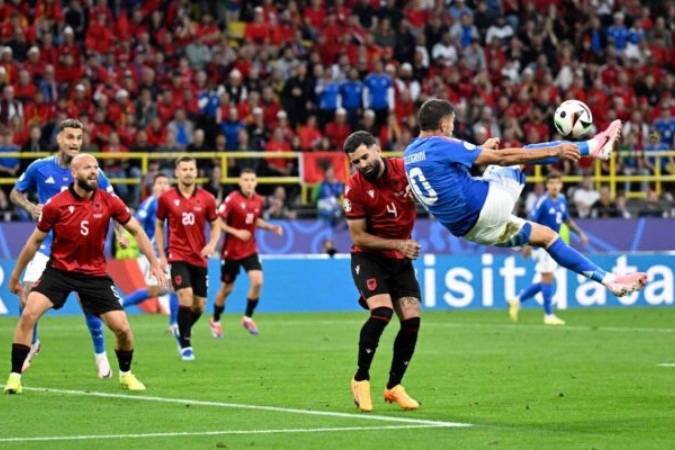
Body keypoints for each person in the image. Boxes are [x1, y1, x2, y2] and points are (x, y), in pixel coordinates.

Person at [403, 99, 648, 299]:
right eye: (453, 124)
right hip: (485, 205)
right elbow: (502, 158)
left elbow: (446, 181)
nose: (453, 128)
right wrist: (556, 149)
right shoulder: (441, 144)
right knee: (524, 154)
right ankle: (593, 147)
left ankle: (610, 281)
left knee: (548, 237)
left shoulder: (410, 154)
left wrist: (481, 150)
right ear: (444, 124)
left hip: (470, 230)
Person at [4, 153, 166, 394]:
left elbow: (136, 230)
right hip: (59, 271)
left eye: (96, 167)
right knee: (28, 314)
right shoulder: (56, 204)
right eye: (87, 167)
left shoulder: (110, 201)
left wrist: (153, 261)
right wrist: (16, 275)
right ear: (74, 173)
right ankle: (14, 377)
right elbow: (33, 242)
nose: (93, 171)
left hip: (94, 274)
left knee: (122, 328)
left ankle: (126, 374)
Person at [10, 118, 125, 378]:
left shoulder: (92, 170)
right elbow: (16, 193)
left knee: (88, 303)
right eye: (70, 137)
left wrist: (120, 234)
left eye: (78, 138)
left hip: (83, 251)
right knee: (26, 296)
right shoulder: (39, 168)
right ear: (59, 139)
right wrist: (30, 207)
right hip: (48, 246)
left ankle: (100, 355)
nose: (74, 142)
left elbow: (115, 204)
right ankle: (33, 343)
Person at [343, 131, 422, 413]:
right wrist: (398, 243)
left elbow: (435, 193)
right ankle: (360, 379)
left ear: (377, 150)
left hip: (400, 260)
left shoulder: (406, 170)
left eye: (365, 157)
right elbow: (358, 237)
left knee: (412, 319)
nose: (362, 165)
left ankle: (394, 386)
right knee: (382, 312)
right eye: (356, 162)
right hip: (368, 257)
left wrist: (422, 196)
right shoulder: (354, 188)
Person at [155, 156, 220, 361]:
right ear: (177, 172)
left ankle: (181, 330)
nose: (188, 173)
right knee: (185, 296)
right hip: (177, 255)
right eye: (184, 169)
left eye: (191, 169)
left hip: (199, 257)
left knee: (199, 305)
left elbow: (216, 224)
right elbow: (159, 225)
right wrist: (162, 255)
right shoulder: (166, 198)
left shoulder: (207, 198)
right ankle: (186, 344)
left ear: (196, 172)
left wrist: (211, 244)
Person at [507, 172, 589, 325]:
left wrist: (580, 233)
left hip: (552, 244)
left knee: (547, 279)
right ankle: (548, 315)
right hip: (541, 245)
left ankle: (517, 300)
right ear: (547, 185)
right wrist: (527, 245)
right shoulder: (542, 201)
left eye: (557, 183)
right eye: (551, 183)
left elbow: (566, 219)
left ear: (561, 185)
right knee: (547, 278)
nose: (554, 186)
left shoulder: (562, 200)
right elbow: (530, 222)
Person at [210, 169, 283, 338]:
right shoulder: (232, 199)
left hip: (249, 249)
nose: (249, 183)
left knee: (257, 282)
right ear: (240, 182)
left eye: (252, 179)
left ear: (256, 183)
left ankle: (247, 318)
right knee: (227, 288)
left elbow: (254, 219)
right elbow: (218, 221)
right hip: (231, 251)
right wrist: (236, 232)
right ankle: (215, 319)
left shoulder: (258, 200)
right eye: (246, 180)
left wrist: (270, 227)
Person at [121, 173, 179, 332]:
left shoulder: (174, 202)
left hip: (173, 252)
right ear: (153, 187)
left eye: (165, 183)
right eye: (159, 182)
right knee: (154, 291)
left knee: (175, 287)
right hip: (154, 253)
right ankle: (119, 304)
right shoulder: (150, 203)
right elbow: (136, 223)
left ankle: (174, 324)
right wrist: (127, 238)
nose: (162, 186)